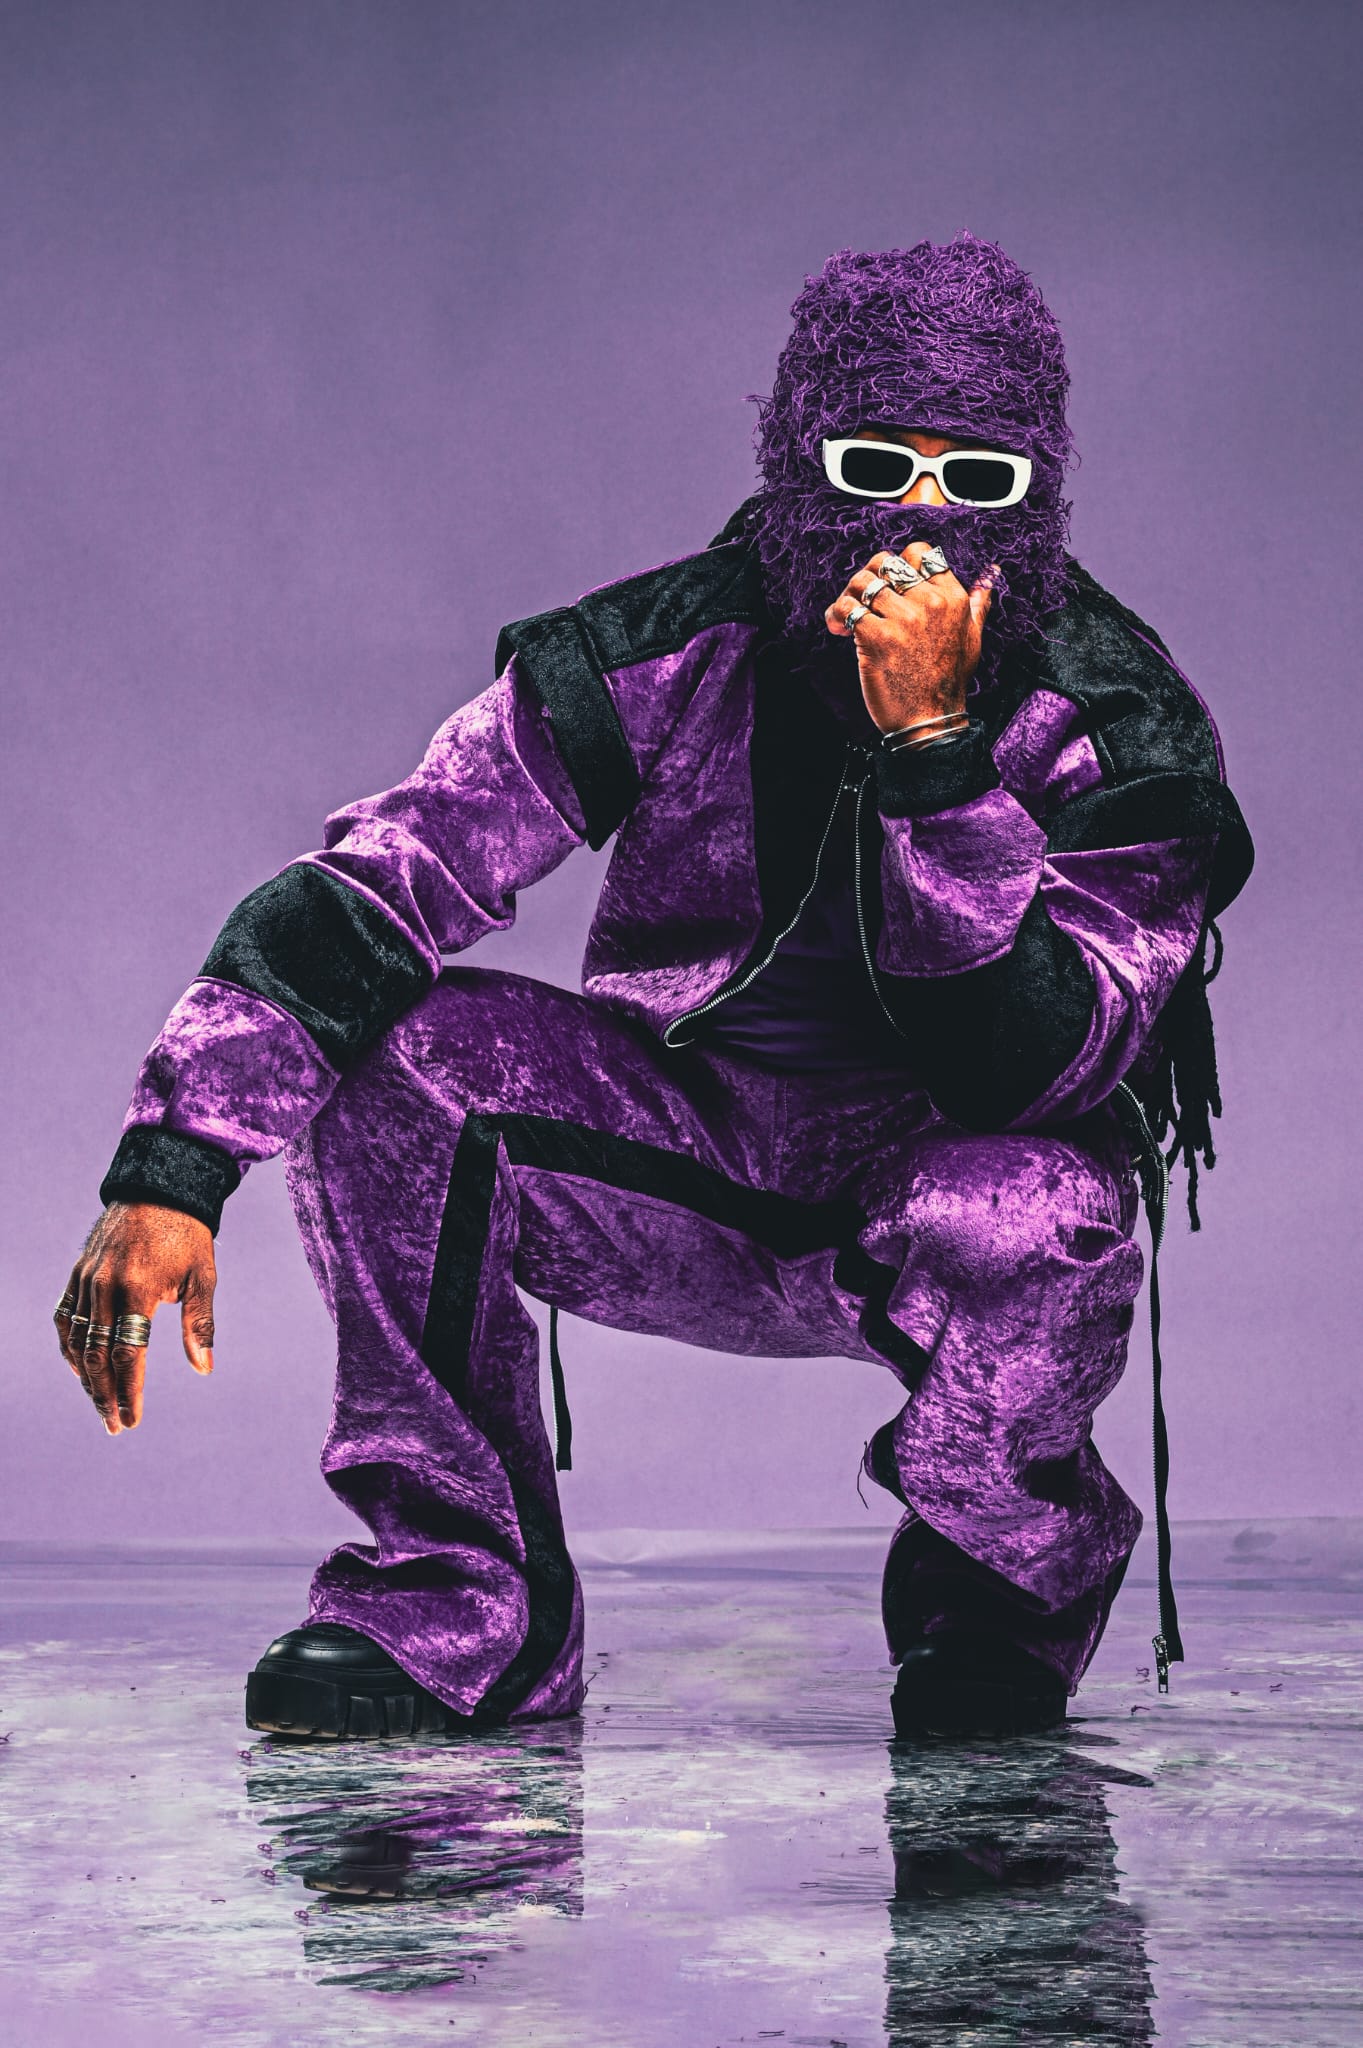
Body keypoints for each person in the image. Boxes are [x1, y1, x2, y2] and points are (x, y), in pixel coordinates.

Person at [54, 235, 1252, 1741]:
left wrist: (936, 758)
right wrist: (171, 1168)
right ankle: (461, 1606)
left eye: (978, 482)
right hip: (685, 1158)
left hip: (947, 1182)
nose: (920, 523)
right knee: (397, 1062)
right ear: (800, 468)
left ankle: (995, 1601)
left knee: (1038, 1206)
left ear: (1040, 499)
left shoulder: (1122, 723)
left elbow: (1042, 1067)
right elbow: (392, 871)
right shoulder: (660, 650)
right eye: (875, 468)